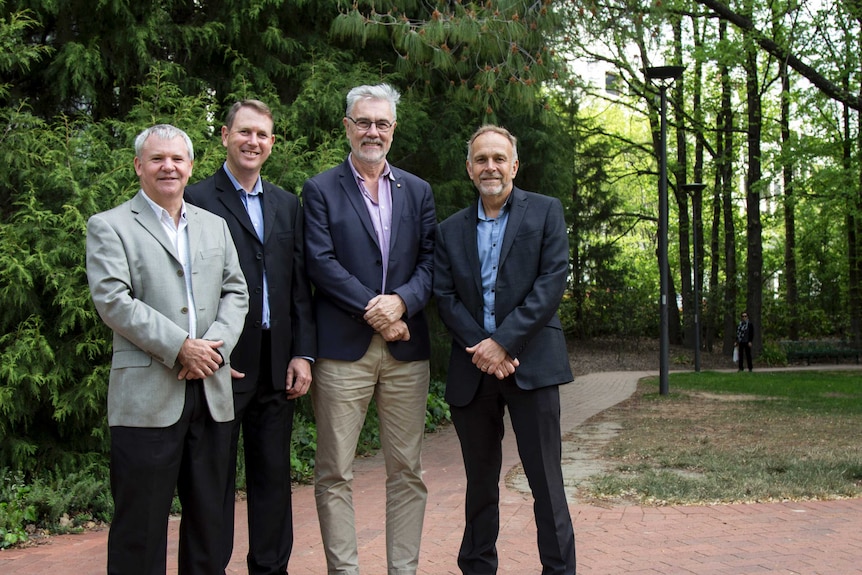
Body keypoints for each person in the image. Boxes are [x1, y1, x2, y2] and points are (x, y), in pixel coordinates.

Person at [86, 124, 249, 575]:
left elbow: (237, 291)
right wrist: (181, 348)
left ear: (191, 165)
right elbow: (114, 301)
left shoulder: (214, 226)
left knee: (209, 528)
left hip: (211, 392)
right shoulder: (110, 226)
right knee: (140, 530)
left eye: (177, 159)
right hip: (147, 399)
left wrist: (213, 348)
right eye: (157, 159)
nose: (168, 167)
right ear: (139, 166)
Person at [302, 83, 436, 575]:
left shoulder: (418, 190)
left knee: (407, 472)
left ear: (393, 129)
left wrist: (402, 303)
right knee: (335, 471)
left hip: (407, 352)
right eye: (363, 122)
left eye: (381, 123)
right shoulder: (320, 189)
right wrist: (374, 309)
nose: (372, 131)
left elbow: (429, 262)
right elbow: (319, 262)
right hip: (343, 352)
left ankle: (404, 570)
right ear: (347, 127)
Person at [433, 125, 576, 575]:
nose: (490, 166)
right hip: (473, 370)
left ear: (514, 164)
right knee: (479, 484)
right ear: (469, 168)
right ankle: (477, 567)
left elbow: (551, 283)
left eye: (499, 158)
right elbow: (445, 295)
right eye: (481, 159)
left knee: (546, 483)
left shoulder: (546, 212)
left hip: (532, 363)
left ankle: (559, 570)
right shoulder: (449, 229)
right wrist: (484, 348)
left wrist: (504, 343)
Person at [184, 100, 316, 574]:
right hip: (222, 360)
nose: (253, 142)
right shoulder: (197, 198)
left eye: (262, 134)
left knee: (273, 480)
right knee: (210, 479)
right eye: (244, 132)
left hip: (277, 361)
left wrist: (303, 352)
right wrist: (207, 345)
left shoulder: (286, 203)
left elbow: (298, 284)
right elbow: (189, 285)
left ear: (272, 143)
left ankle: (270, 568)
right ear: (225, 136)